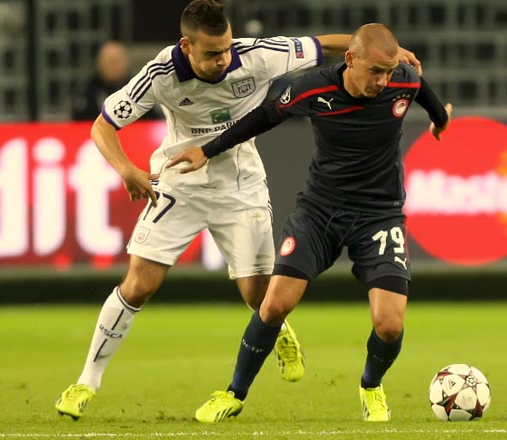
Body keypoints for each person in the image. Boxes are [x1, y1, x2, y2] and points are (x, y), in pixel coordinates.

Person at [54, 0, 422, 421]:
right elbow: (102, 125)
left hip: (241, 185)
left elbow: (325, 45)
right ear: (187, 46)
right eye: (213, 53)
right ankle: (86, 382)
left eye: (227, 48)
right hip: (181, 182)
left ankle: (277, 329)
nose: (224, 59)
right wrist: (126, 169)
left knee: (257, 295)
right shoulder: (159, 74)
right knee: (138, 284)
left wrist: (389, 52)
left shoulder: (258, 55)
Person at [167, 23, 452, 423]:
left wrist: (440, 120)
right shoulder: (312, 89)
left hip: (379, 213)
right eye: (375, 71)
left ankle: (371, 386)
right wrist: (208, 150)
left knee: (389, 325)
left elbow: (425, 94)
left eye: (388, 72)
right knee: (275, 304)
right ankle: (233, 393)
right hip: (320, 211)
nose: (382, 81)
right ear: (350, 59)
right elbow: (263, 118)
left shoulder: (402, 80)